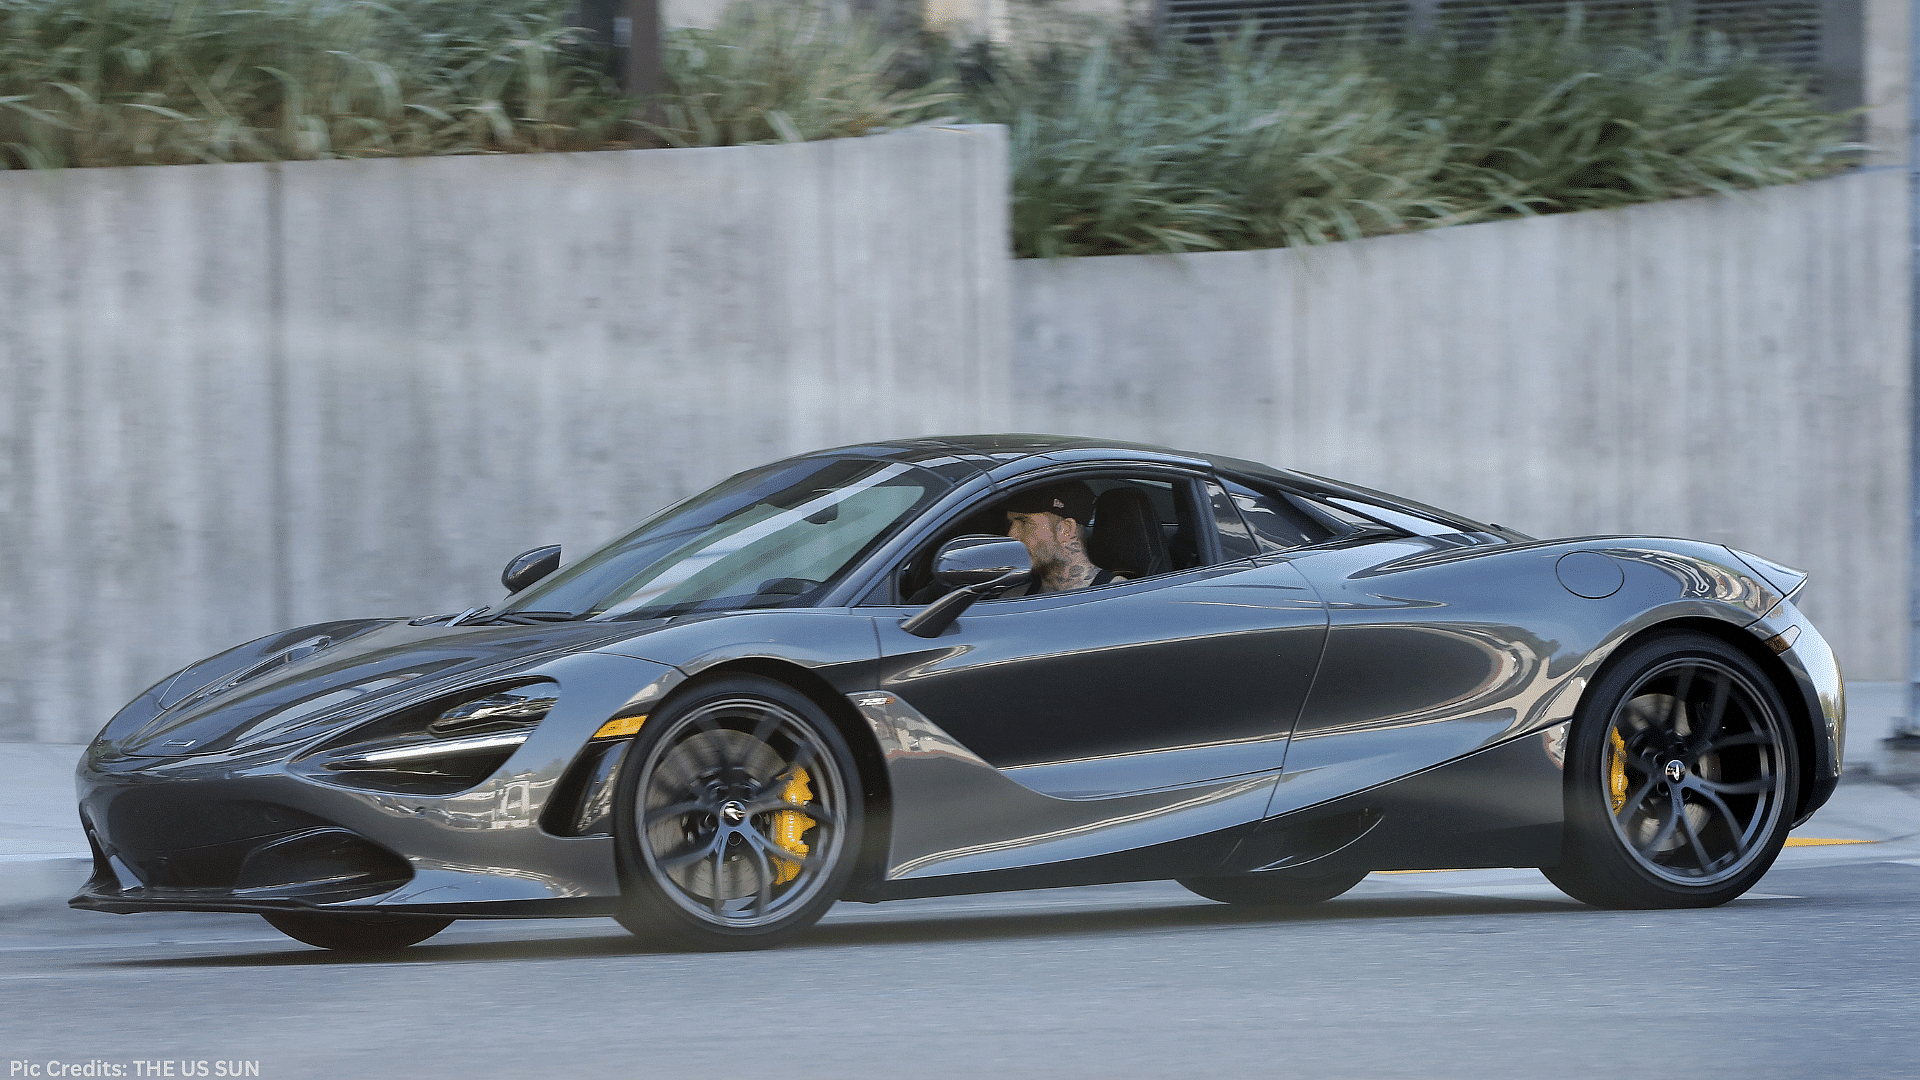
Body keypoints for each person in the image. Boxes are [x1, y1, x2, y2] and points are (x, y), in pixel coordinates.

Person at [1001, 481, 1125, 594]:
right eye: (1010, 524)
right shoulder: (1014, 595)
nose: (1012, 535)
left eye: (1024, 522)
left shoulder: (1117, 595)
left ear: (1066, 530)